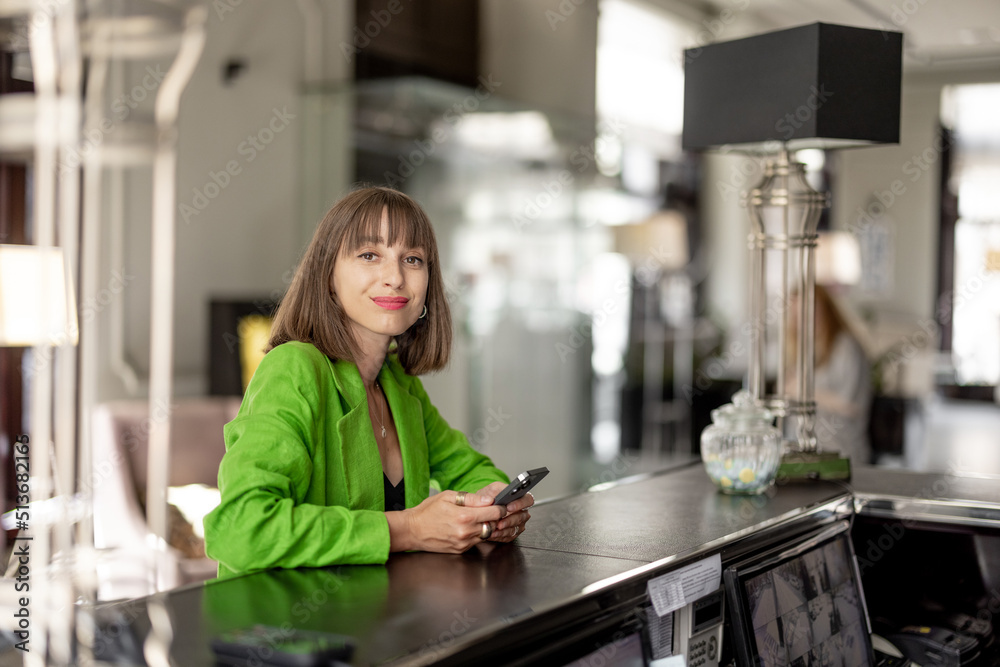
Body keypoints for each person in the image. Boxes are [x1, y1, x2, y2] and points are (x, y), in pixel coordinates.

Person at [203, 186, 532, 577]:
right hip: (288, 630)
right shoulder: (293, 368)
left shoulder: (397, 384)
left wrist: (492, 507)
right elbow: (240, 528)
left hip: (376, 620)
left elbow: (469, 469)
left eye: (412, 259)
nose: (394, 277)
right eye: (369, 255)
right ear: (328, 277)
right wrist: (410, 529)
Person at [786, 285, 873, 463]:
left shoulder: (845, 347)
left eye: (809, 311)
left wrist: (802, 391)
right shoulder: (806, 348)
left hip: (839, 454)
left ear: (826, 310)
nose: (803, 320)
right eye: (797, 314)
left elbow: (850, 403)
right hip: (805, 454)